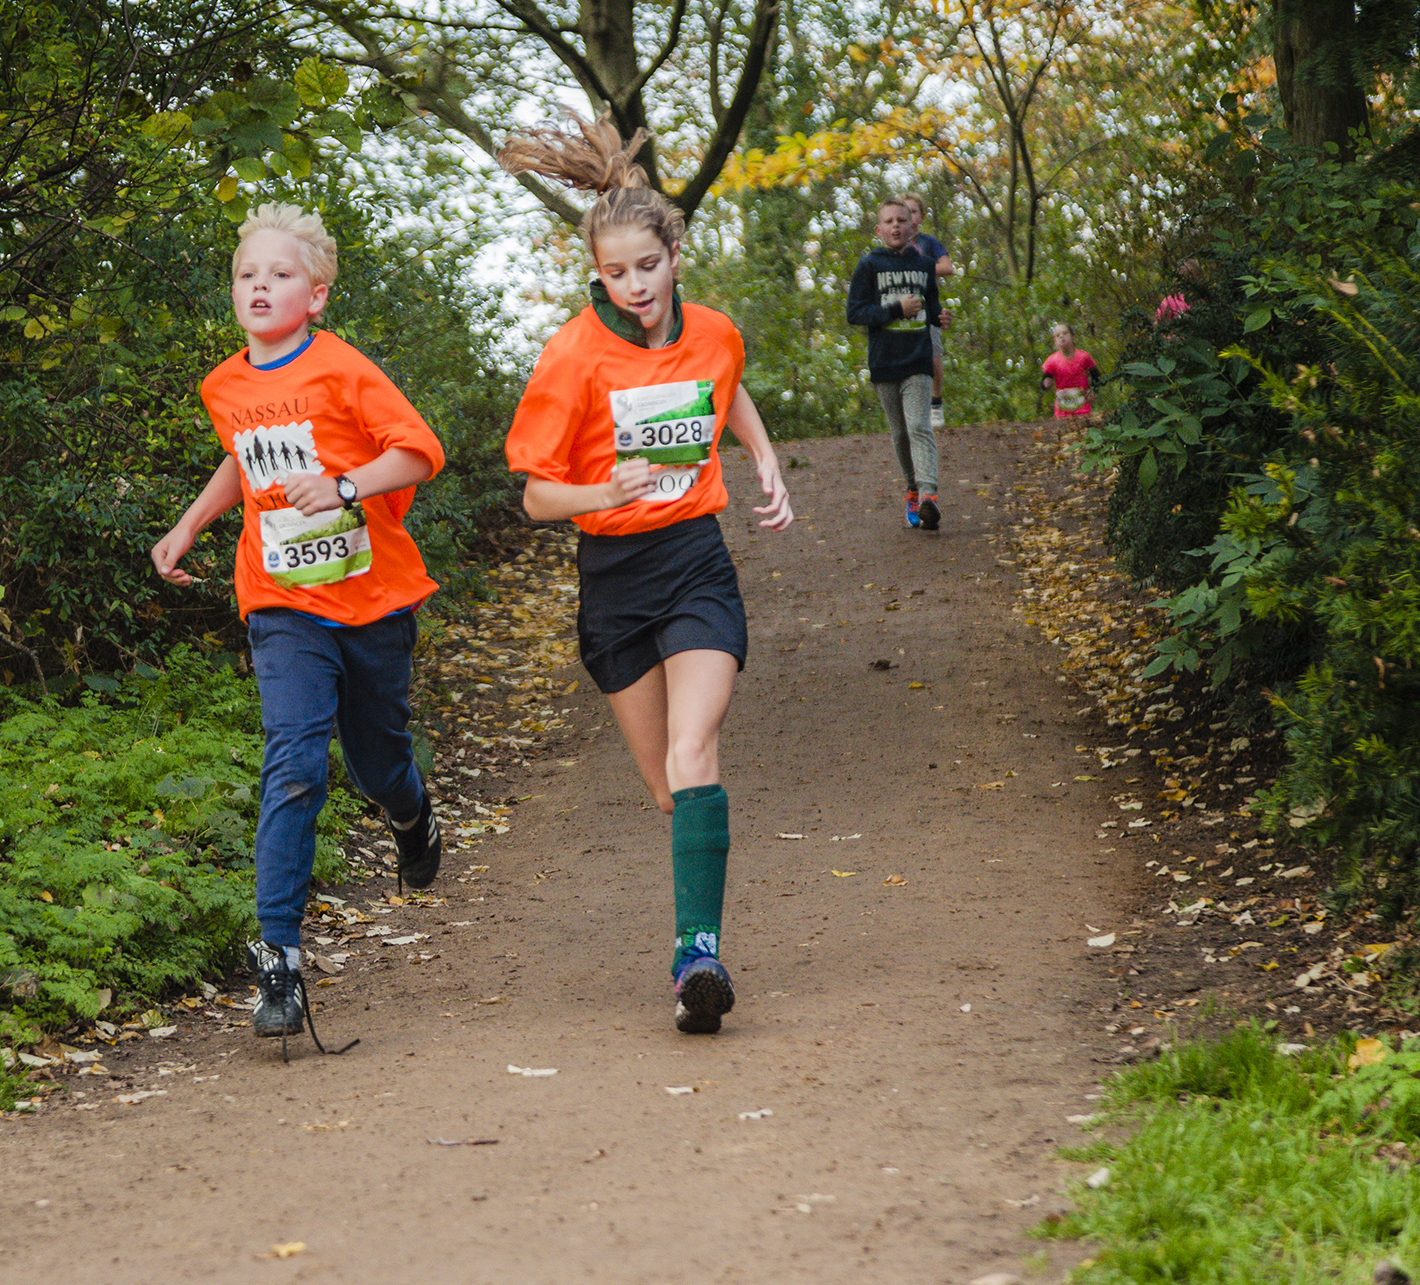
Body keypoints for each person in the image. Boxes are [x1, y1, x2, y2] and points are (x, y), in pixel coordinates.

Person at [498, 114, 794, 1035]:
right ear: (598, 272)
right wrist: (598, 488)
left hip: (694, 558)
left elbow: (724, 378)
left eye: (646, 267)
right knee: (668, 787)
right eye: (614, 273)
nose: (632, 287)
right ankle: (688, 939)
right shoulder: (572, 356)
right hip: (613, 578)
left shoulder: (712, 330)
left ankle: (698, 954)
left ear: (676, 252)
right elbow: (534, 499)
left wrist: (762, 454)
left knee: (695, 750)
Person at [150, 203, 446, 1053]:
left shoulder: (345, 370)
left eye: (279, 275)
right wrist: (192, 523)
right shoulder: (225, 385)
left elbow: (421, 451)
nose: (260, 286)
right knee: (292, 756)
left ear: (315, 296)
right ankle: (278, 956)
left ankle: (412, 811)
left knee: (377, 762)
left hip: (374, 597)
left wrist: (349, 485)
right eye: (247, 274)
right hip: (280, 598)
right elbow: (246, 459)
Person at [847, 199, 945, 530]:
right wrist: (893, 310)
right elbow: (855, 313)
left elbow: (931, 307)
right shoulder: (869, 266)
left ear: (912, 227)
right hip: (884, 361)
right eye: (888, 221)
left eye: (901, 220)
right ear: (879, 229)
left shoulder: (925, 264)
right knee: (901, 433)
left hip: (917, 358)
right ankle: (913, 489)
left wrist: (939, 316)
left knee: (919, 425)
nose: (895, 226)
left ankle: (930, 495)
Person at [897, 194, 955, 428]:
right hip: (899, 305)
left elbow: (948, 267)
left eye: (913, 211)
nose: (908, 217)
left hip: (927, 304)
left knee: (933, 353)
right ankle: (907, 407)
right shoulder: (893, 244)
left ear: (920, 216)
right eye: (904, 212)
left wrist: (921, 267)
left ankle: (936, 403)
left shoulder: (928, 242)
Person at [1040, 322, 1098, 419]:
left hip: (1083, 409)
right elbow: (1044, 381)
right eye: (1058, 335)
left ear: (1073, 337)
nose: (1062, 337)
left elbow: (1097, 376)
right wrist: (1046, 384)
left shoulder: (1084, 357)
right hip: (1062, 411)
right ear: (1055, 342)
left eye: (1065, 333)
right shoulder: (1051, 361)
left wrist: (1093, 391)